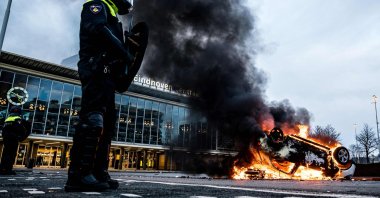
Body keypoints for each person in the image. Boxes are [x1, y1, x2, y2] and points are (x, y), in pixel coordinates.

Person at [65, 0, 148, 192]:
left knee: (108, 124)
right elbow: (98, 29)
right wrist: (123, 50)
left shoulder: (111, 13)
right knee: (92, 119)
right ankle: (79, 175)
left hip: (107, 74)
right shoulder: (95, 5)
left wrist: (129, 53)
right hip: (95, 68)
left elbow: (117, 51)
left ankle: (98, 172)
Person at [0, 106, 30, 175]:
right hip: (13, 139)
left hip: (6, 138)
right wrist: (22, 137)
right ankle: (8, 169)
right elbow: (21, 129)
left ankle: (2, 168)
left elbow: (4, 129)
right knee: (11, 154)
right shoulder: (18, 119)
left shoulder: (7, 119)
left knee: (5, 153)